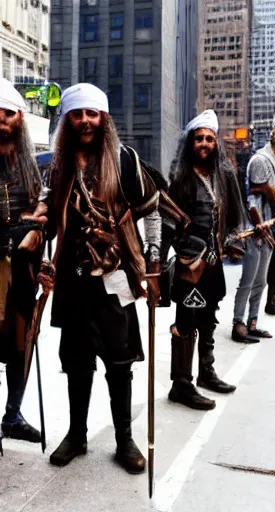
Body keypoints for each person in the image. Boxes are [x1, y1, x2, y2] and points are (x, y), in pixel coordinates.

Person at [41, 83, 161, 473]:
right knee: (77, 363)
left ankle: (124, 441)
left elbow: (153, 209)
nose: (85, 121)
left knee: (119, 363)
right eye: (77, 114)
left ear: (104, 119)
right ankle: (77, 435)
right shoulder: (59, 167)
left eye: (92, 114)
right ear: (68, 120)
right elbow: (48, 222)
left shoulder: (126, 160)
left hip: (116, 280)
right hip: (74, 281)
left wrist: (154, 260)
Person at [166, 110, 246, 410]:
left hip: (214, 262)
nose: (204, 143)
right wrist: (183, 254)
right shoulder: (181, 177)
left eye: (209, 139)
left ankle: (206, 372)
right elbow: (168, 222)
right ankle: (181, 385)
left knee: (209, 317)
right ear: (191, 143)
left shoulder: (222, 175)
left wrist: (231, 241)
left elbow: (233, 215)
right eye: (199, 138)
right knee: (186, 321)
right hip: (190, 263)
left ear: (216, 144)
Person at [0, 79, 48, 453]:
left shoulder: (31, 166)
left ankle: (13, 415)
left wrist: (37, 239)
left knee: (21, 345)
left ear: (19, 119)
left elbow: (41, 217)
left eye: (8, 113)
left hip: (22, 272)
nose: (1, 119)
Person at [232, 123, 275, 343]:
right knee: (248, 280)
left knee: (261, 281)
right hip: (255, 230)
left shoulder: (273, 161)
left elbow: (270, 198)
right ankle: (238, 323)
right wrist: (259, 226)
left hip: (267, 230)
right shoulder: (260, 160)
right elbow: (253, 198)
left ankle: (253, 322)